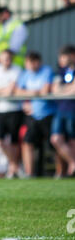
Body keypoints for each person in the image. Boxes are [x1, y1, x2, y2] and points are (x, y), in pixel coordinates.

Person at [15, 52, 56, 177]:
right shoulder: (25, 74)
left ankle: (61, 173)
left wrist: (27, 93)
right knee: (27, 142)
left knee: (53, 144)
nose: (32, 65)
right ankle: (29, 173)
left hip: (48, 114)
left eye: (35, 61)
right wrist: (33, 93)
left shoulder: (47, 71)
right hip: (32, 116)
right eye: (29, 62)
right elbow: (17, 91)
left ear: (39, 61)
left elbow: (45, 91)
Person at [0, 49, 23, 178]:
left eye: (8, 58)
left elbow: (11, 90)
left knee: (14, 142)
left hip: (14, 109)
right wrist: (3, 90)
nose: (6, 61)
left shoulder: (17, 70)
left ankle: (13, 169)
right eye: (4, 58)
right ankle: (14, 165)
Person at [50, 45, 75, 177]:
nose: (61, 59)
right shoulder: (60, 71)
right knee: (55, 138)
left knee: (72, 140)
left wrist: (63, 90)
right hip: (61, 110)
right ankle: (73, 162)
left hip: (73, 109)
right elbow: (54, 90)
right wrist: (68, 89)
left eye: (64, 56)